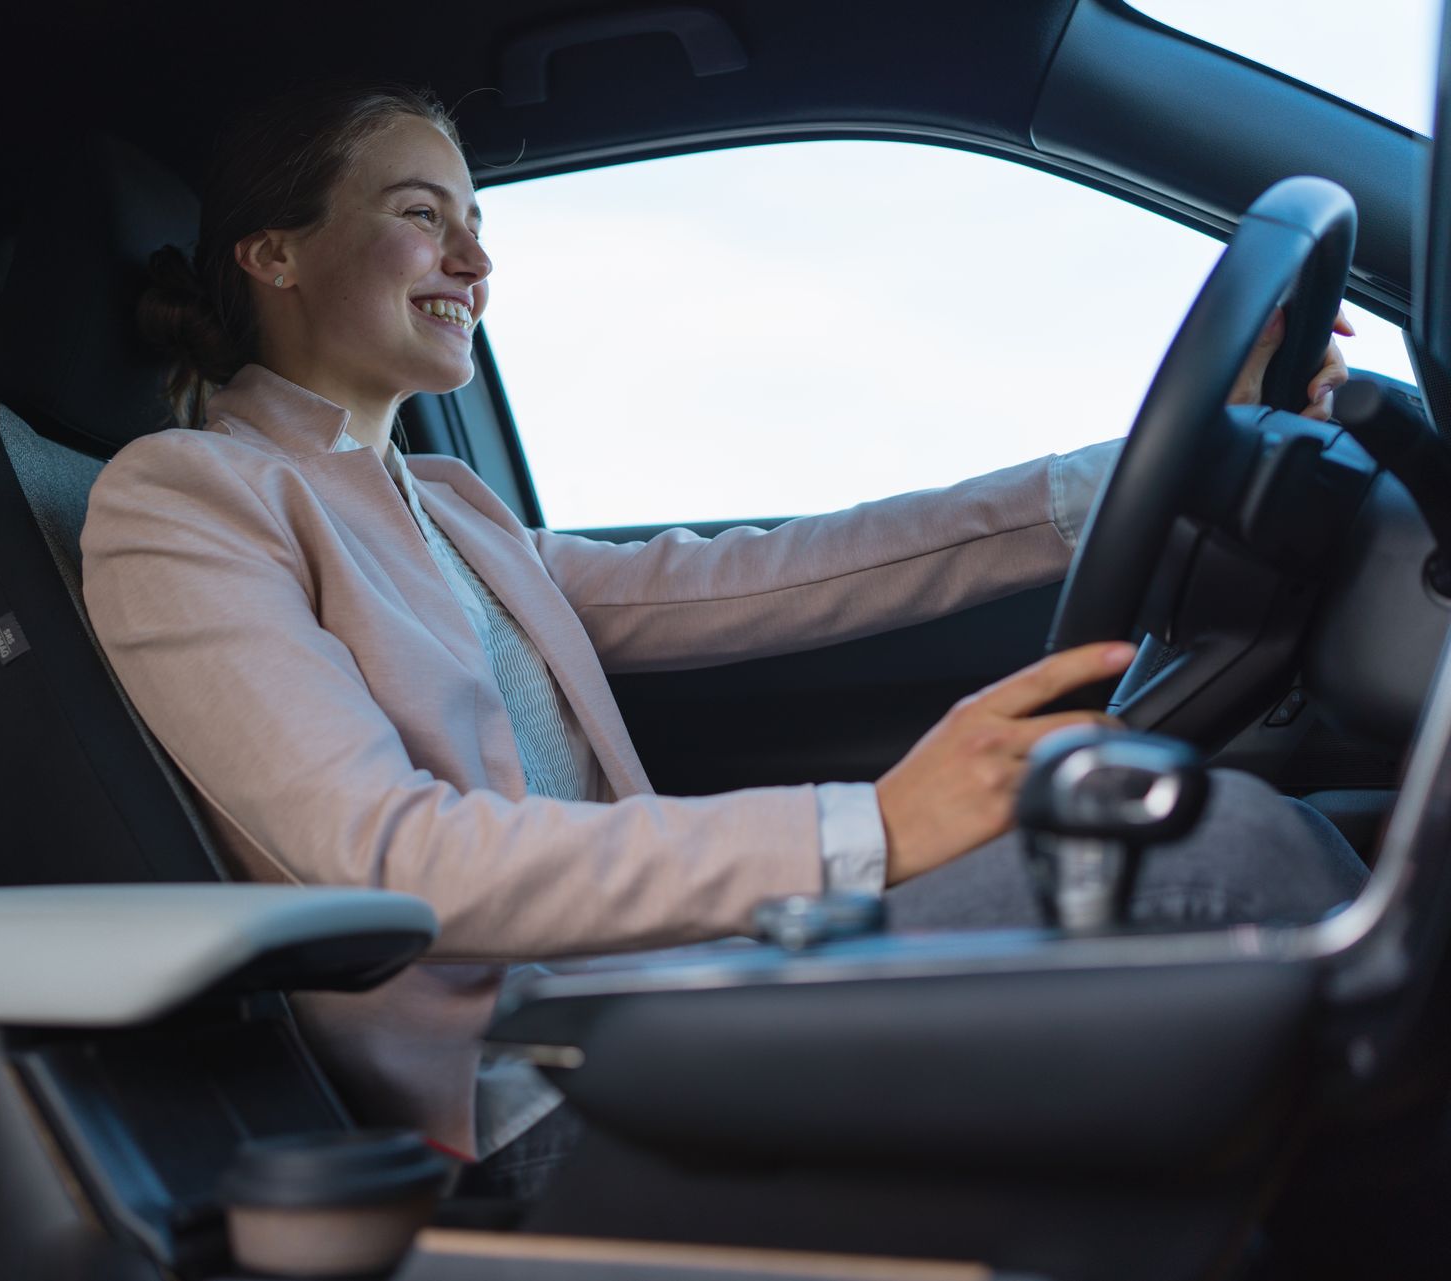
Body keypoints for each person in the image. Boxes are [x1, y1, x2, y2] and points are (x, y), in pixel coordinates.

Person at [79, 83, 1367, 1200]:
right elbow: (390, 856)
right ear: (273, 255)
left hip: (668, 990)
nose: (474, 261)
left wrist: (1130, 468)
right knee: (1229, 854)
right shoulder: (188, 496)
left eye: (477, 222)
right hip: (532, 1082)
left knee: (1267, 836)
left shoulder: (452, 504)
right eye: (422, 215)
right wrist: (870, 829)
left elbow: (766, 572)